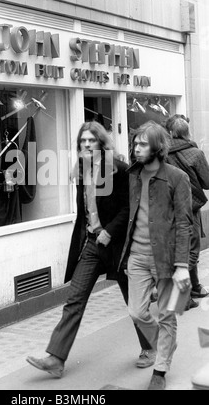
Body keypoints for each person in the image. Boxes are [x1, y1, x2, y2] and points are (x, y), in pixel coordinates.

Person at [26, 121, 154, 379]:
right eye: (82, 141)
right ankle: (56, 358)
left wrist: (110, 231)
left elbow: (130, 208)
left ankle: (151, 347)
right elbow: (86, 211)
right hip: (93, 245)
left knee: (134, 302)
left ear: (101, 143)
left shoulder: (118, 170)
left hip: (118, 246)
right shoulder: (82, 172)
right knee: (75, 298)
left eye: (91, 140)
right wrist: (91, 236)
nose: (86, 145)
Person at [118, 120, 193, 390]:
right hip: (136, 255)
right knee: (136, 312)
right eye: (135, 143)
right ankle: (167, 343)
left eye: (142, 144)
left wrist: (182, 265)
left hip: (167, 259)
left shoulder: (176, 177)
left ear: (158, 147)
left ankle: (160, 368)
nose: (136, 148)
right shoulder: (131, 175)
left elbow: (185, 224)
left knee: (166, 315)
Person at [165, 115, 209, 308]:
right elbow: (207, 182)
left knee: (174, 249)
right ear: (186, 132)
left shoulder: (162, 152)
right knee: (191, 251)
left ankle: (195, 287)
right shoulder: (195, 153)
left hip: (165, 208)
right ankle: (182, 296)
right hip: (189, 208)